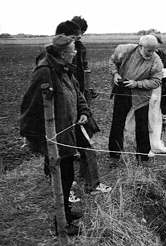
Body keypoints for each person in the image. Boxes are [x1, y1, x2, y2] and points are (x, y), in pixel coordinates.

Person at [20, 35, 88, 235]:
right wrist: (30, 134)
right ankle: (61, 223)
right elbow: (30, 104)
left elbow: (77, 93)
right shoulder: (45, 71)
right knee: (62, 175)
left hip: (68, 130)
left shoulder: (65, 69)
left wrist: (84, 111)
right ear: (63, 52)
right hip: (55, 134)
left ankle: (65, 212)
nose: (76, 53)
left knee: (67, 174)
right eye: (73, 50)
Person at [54, 20, 111, 197]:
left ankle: (92, 184)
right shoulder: (48, 66)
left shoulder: (73, 58)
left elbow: (77, 88)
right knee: (61, 154)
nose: (76, 45)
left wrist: (84, 110)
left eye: (78, 38)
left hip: (77, 113)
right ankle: (64, 191)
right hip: (59, 119)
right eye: (73, 39)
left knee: (87, 146)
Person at [108, 35, 163, 162]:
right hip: (123, 90)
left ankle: (142, 157)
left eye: (154, 50)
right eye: (148, 50)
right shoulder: (125, 50)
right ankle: (114, 155)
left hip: (141, 94)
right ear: (140, 46)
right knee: (117, 122)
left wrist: (137, 84)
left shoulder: (156, 61)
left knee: (142, 125)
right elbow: (112, 61)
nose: (151, 53)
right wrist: (115, 74)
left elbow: (156, 81)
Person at [144, 30, 166, 156]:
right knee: (146, 118)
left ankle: (157, 144)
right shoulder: (143, 55)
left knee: (158, 118)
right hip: (146, 90)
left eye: (157, 41)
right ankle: (146, 146)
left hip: (160, 90)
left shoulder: (161, 54)